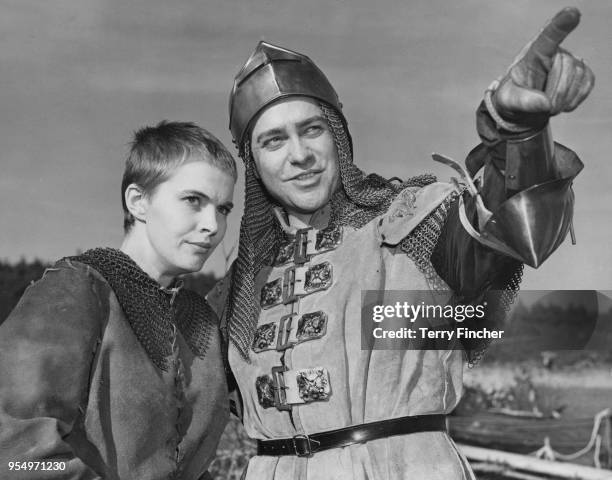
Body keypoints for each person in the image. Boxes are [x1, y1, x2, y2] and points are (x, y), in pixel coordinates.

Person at [206, 7, 595, 480]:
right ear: (253, 163)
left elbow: (510, 232)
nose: (300, 155)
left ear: (339, 136)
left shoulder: (410, 226)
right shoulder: (237, 292)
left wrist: (517, 133)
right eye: (273, 141)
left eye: (312, 129)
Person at [0, 121, 236, 480]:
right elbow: (15, 453)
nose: (212, 225)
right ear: (138, 202)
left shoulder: (198, 319)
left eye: (223, 209)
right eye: (193, 200)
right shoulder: (77, 289)